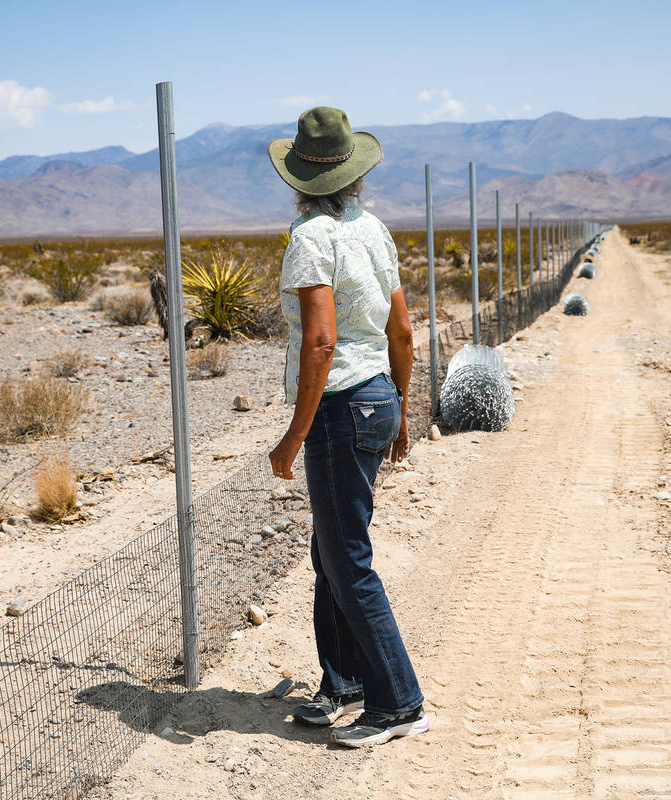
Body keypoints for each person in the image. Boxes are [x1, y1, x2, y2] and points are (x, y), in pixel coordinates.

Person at [266, 106, 428, 747]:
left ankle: (399, 703)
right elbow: (404, 331)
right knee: (331, 549)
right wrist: (403, 412)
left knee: (347, 561)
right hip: (378, 398)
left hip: (339, 409)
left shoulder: (311, 238)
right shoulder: (375, 231)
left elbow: (321, 343)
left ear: (299, 179)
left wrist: (294, 433)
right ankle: (346, 682)